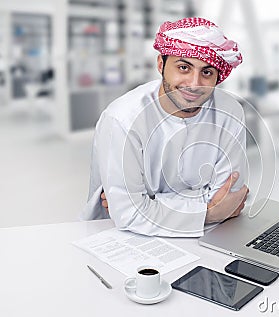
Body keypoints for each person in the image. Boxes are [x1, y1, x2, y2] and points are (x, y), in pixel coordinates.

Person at [81, 17, 249, 237]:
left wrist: (147, 204)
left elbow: (230, 196)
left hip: (209, 236)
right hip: (119, 236)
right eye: (183, 67)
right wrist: (208, 212)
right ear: (161, 64)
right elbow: (128, 215)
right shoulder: (122, 119)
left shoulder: (230, 112)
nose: (194, 83)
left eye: (206, 72)